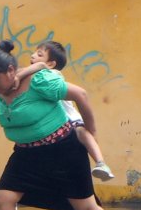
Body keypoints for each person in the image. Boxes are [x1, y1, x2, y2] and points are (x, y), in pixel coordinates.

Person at [0, 40, 126, 210]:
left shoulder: (40, 81)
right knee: (3, 197)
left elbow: (81, 95)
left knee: (86, 209)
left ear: (10, 71)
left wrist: (92, 131)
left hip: (63, 150)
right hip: (26, 154)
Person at [15, 40, 114, 181]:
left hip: (68, 118)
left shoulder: (52, 74)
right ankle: (10, 189)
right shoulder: (35, 77)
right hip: (52, 122)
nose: (32, 56)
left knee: (83, 133)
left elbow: (36, 67)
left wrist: (18, 75)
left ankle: (101, 163)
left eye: (39, 54)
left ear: (51, 64)